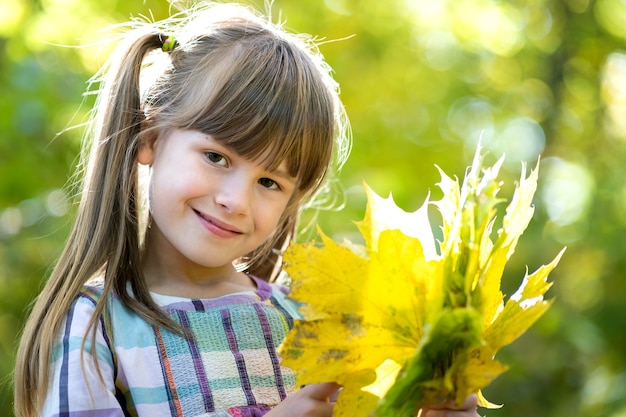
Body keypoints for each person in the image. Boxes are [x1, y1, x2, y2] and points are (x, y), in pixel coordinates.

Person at [13, 2, 480, 417]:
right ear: (151, 136)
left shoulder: (309, 319)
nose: (235, 200)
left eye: (269, 182)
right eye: (217, 157)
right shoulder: (97, 329)